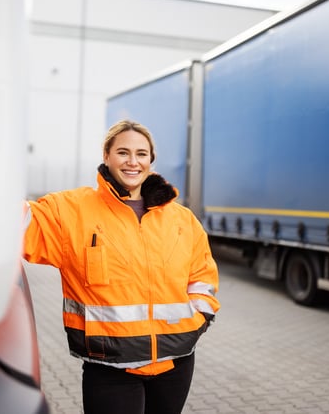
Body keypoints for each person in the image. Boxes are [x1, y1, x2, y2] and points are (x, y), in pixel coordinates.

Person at [23, 120, 220, 414]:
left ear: (151, 160)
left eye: (141, 154)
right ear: (107, 155)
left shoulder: (182, 220)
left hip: (175, 363)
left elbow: (203, 277)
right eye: (123, 152)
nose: (132, 161)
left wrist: (196, 321)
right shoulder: (71, 211)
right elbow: (14, 225)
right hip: (110, 368)